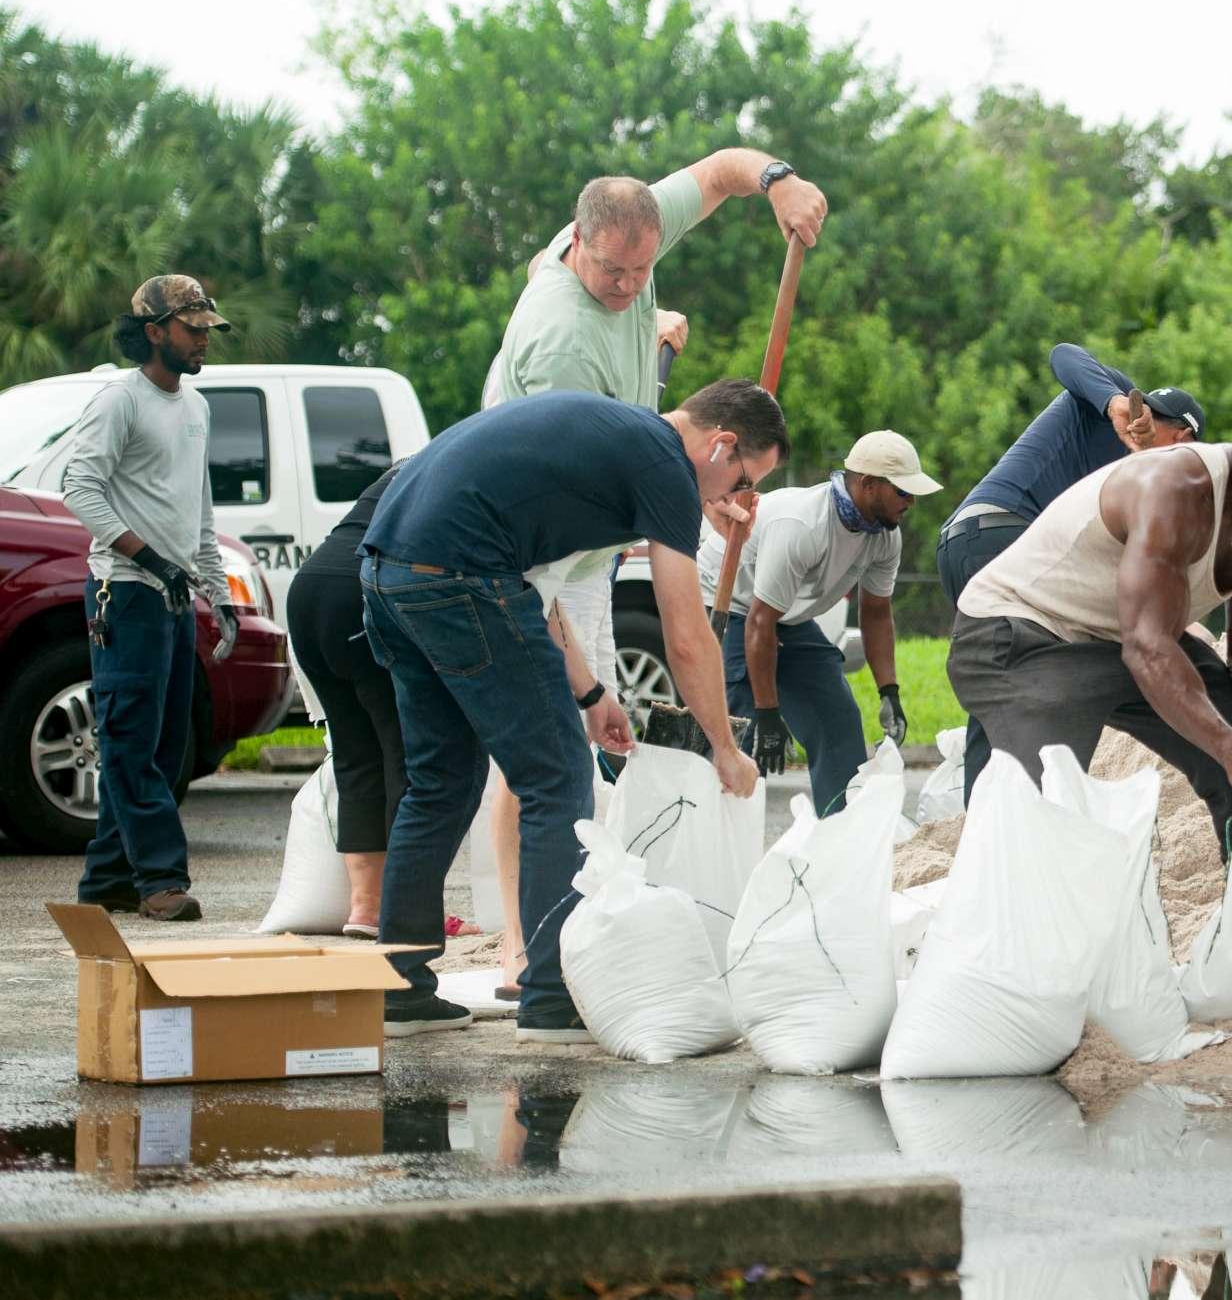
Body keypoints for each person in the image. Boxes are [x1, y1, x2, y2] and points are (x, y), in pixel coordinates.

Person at [480, 150, 827, 1000]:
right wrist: (690, 504)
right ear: (578, 246)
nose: (630, 285)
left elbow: (717, 172)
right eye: (611, 270)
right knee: (541, 750)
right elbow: (594, 484)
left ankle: (567, 926)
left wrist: (778, 181)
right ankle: (521, 950)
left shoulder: (627, 234)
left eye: (643, 269)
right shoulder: (561, 341)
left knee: (573, 746)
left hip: (587, 553)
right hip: (529, 549)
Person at [359, 380, 789, 1040]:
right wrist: (724, 749)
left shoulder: (619, 439)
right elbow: (684, 630)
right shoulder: (665, 466)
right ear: (721, 444)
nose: (732, 500)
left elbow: (532, 592)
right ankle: (550, 998)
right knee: (556, 778)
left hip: (389, 572)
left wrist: (589, 694)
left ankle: (400, 987)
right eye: (741, 480)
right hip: (460, 575)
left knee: (441, 780)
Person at [948, 394, 1232, 857]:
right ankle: (1009, 906)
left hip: (1120, 638)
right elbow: (1148, 648)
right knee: (1049, 809)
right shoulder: (1176, 487)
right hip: (1017, 633)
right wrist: (1231, 755)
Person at [936, 342, 1206, 802]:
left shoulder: (1134, 482)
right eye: (1148, 416)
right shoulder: (1105, 407)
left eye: (1155, 420)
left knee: (1000, 686)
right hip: (1001, 536)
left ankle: (985, 823)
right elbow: (1065, 355)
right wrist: (1117, 402)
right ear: (1183, 441)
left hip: (967, 544)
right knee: (1076, 675)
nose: (1145, 426)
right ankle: (1038, 804)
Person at [61, 275, 239, 922]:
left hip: (172, 597)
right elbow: (77, 488)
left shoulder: (196, 407)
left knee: (162, 746)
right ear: (155, 331)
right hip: (126, 593)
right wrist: (146, 557)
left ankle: (107, 879)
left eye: (207, 330)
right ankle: (161, 878)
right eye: (193, 329)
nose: (203, 342)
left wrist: (217, 593)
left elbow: (199, 511)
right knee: (131, 741)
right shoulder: (121, 401)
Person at [698, 429, 943, 815]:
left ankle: (837, 839)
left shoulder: (884, 536)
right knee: (742, 726)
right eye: (902, 491)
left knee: (837, 716)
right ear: (868, 484)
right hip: (727, 599)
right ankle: (719, 834)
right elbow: (759, 624)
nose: (910, 502)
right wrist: (768, 713)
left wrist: (889, 691)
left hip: (783, 613)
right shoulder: (804, 525)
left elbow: (876, 612)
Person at [286, 461, 407, 937]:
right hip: (360, 592)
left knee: (357, 755)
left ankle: (366, 908)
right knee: (405, 754)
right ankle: (405, 907)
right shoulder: (463, 473)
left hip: (308, 590)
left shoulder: (408, 468)